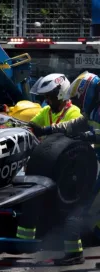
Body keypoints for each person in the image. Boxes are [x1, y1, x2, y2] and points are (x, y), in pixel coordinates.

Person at [30, 71, 100, 266]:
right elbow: (74, 124)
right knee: (78, 207)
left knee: (78, 208)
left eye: (79, 95)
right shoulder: (93, 109)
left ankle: (75, 253)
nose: (78, 100)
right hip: (95, 162)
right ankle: (74, 252)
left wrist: (91, 136)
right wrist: (48, 130)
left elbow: (90, 131)